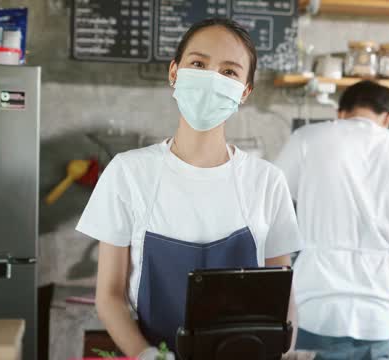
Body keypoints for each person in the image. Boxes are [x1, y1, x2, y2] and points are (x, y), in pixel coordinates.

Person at [76, 18, 303, 359]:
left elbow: (283, 298)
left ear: (244, 92)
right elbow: (109, 295)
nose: (212, 79)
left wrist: (281, 351)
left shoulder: (267, 181)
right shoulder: (128, 172)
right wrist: (146, 355)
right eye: (198, 64)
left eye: (229, 72)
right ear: (174, 73)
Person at [275, 80, 389, 360]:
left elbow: (269, 211)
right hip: (380, 313)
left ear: (340, 112)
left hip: (316, 306)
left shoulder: (307, 139)